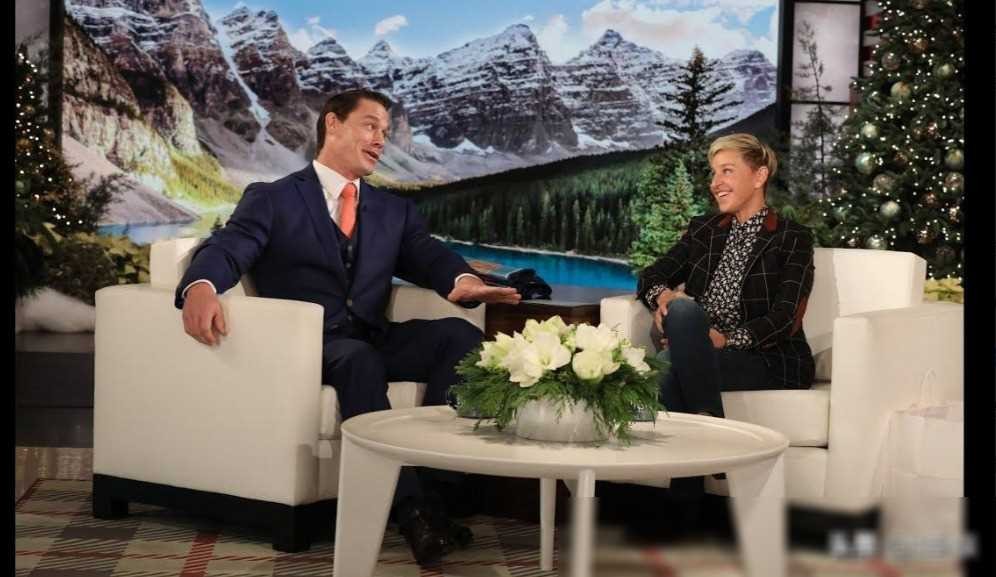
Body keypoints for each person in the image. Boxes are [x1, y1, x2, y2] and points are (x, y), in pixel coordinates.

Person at [175, 88, 521, 565]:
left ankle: (437, 494)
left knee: (460, 337)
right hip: (309, 345)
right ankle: (413, 512)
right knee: (357, 359)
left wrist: (463, 282)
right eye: (370, 126)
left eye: (385, 131)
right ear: (332, 124)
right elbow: (228, 247)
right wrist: (201, 286)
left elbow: (427, 255)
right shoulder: (273, 199)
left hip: (371, 338)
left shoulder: (393, 211)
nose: (380, 140)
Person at [636, 133, 815, 499]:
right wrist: (663, 296)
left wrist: (726, 339)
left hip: (765, 357)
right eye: (713, 172)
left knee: (669, 363)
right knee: (681, 311)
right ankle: (711, 437)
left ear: (759, 175)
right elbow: (650, 276)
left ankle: (680, 512)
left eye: (727, 171)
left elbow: (785, 318)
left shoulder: (791, 237)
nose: (715, 182)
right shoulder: (704, 230)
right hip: (700, 347)